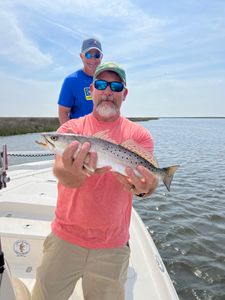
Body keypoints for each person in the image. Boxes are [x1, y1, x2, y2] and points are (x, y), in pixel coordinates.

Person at [32, 62, 158, 300]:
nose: (108, 90)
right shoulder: (71, 129)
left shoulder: (140, 135)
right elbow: (62, 173)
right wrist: (77, 172)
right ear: (92, 90)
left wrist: (145, 188)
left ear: (124, 93)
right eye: (101, 84)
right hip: (65, 239)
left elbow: (148, 184)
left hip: (113, 246)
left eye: (115, 85)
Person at [58, 37, 103, 124]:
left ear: (101, 57)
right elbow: (63, 112)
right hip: (80, 135)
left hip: (104, 134)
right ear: (81, 56)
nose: (93, 60)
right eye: (88, 55)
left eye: (97, 55)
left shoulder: (107, 78)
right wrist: (70, 135)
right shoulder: (71, 81)